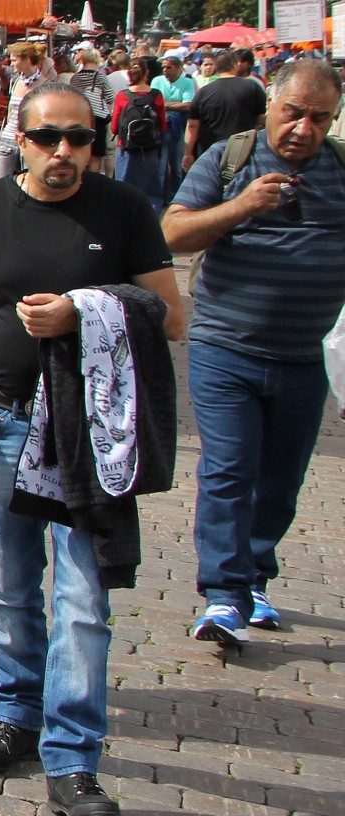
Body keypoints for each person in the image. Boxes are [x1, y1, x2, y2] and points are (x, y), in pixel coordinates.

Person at [0, 81, 184, 816]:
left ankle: (72, 758)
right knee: (11, 582)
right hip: (2, 422)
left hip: (88, 432)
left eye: (78, 137)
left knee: (83, 599)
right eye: (46, 138)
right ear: (18, 142)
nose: (62, 151)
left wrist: (87, 307)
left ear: (97, 141)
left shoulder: (124, 211)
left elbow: (173, 314)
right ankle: (17, 715)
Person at [161, 60, 345, 644]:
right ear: (271, 105)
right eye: (294, 113)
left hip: (305, 356)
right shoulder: (228, 160)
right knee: (229, 468)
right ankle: (222, 594)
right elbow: (170, 233)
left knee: (280, 479)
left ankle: (254, 578)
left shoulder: (341, 169)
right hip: (225, 349)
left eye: (320, 118)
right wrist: (241, 207)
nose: (303, 128)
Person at [182, 50, 267, 172]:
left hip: (209, 152)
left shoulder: (204, 92)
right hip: (243, 150)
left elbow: (192, 126)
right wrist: (255, 128)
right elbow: (262, 116)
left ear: (216, 67)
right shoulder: (252, 87)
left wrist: (188, 153)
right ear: (235, 64)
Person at [113, 58, 167, 211]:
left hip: (126, 148)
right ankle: (151, 217)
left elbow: (114, 127)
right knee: (152, 189)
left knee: (123, 187)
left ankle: (123, 217)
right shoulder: (157, 95)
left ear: (129, 74)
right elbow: (162, 125)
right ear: (147, 73)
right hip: (150, 147)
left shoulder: (122, 96)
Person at [0, 42, 46, 178]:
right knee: (1, 183)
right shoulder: (15, 81)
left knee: (29, 182)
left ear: (27, 60)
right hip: (8, 138)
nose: (11, 64)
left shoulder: (45, 85)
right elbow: (10, 112)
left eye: (14, 60)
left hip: (31, 140)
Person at [151, 54, 195, 203]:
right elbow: (154, 103)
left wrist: (164, 104)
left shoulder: (187, 82)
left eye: (169, 67)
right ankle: (160, 196)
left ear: (179, 68)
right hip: (161, 127)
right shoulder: (157, 81)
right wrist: (176, 104)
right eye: (163, 67)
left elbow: (188, 105)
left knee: (177, 165)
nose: (165, 70)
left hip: (178, 128)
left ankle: (177, 196)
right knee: (161, 166)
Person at [70, 49, 114, 172]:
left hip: (79, 118)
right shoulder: (100, 76)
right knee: (96, 155)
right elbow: (110, 97)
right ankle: (93, 180)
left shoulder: (75, 77)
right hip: (97, 119)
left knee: (81, 151)